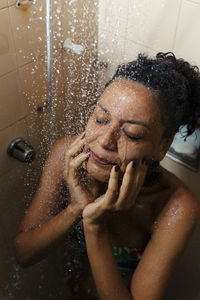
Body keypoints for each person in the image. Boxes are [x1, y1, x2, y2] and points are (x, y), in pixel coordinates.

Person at [14, 52, 200, 300]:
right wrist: (75, 209)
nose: (104, 141)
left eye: (132, 134)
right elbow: (23, 253)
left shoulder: (174, 206)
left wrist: (94, 225)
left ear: (162, 147)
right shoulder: (66, 157)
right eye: (101, 119)